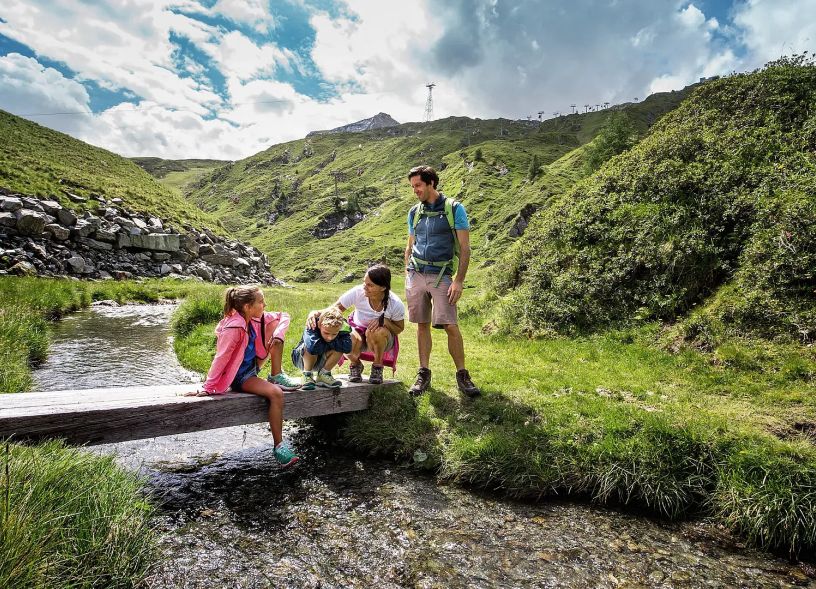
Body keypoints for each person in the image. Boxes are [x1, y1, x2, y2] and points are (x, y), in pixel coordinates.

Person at [184, 285, 299, 467]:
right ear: (247, 307)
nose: (265, 304)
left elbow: (283, 316)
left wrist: (278, 335)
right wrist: (208, 387)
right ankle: (279, 447)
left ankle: (276, 374)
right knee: (276, 393)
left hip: (252, 368)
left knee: (275, 325)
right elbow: (221, 358)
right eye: (261, 302)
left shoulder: (253, 318)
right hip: (240, 376)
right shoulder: (235, 327)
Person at [405, 165, 480, 397]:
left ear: (431, 183)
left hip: (442, 276)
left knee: (450, 325)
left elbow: (465, 249)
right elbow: (409, 245)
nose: (415, 190)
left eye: (418, 185)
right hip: (416, 274)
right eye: (413, 186)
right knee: (421, 324)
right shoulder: (414, 212)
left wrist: (459, 280)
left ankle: (462, 375)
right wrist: (407, 271)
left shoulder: (454, 209)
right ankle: (423, 373)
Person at [307, 264, 405, 384]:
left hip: (382, 339)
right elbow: (335, 308)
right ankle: (356, 364)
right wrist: (315, 313)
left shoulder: (395, 303)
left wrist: (385, 322)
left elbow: (399, 328)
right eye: (364, 282)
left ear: (383, 287)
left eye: (370, 285)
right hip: (358, 331)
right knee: (347, 337)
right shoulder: (358, 292)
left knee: (376, 331)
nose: (365, 287)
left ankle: (377, 367)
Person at [291, 306, 352, 389]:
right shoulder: (312, 324)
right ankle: (307, 375)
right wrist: (335, 342)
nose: (330, 337)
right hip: (302, 359)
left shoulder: (342, 327)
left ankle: (324, 374)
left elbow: (347, 348)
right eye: (326, 333)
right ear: (319, 325)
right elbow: (313, 348)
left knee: (340, 349)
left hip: (321, 357)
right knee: (310, 347)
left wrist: (330, 342)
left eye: (334, 334)